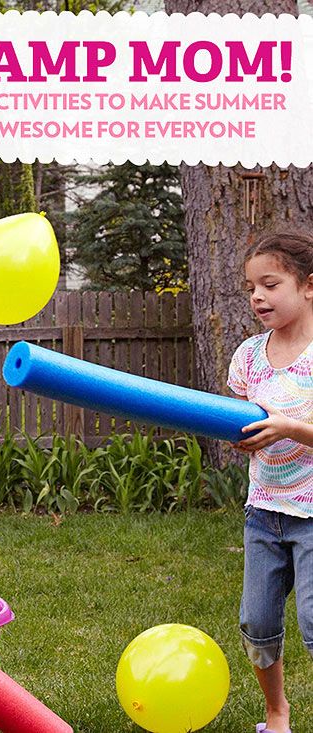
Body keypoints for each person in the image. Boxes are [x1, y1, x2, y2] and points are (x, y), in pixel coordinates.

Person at [227, 230, 313, 733]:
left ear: (308, 286)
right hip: (264, 512)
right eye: (250, 287)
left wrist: (289, 427)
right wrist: (239, 435)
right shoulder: (248, 358)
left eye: (270, 284)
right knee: (257, 624)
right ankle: (276, 714)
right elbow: (236, 419)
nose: (257, 296)